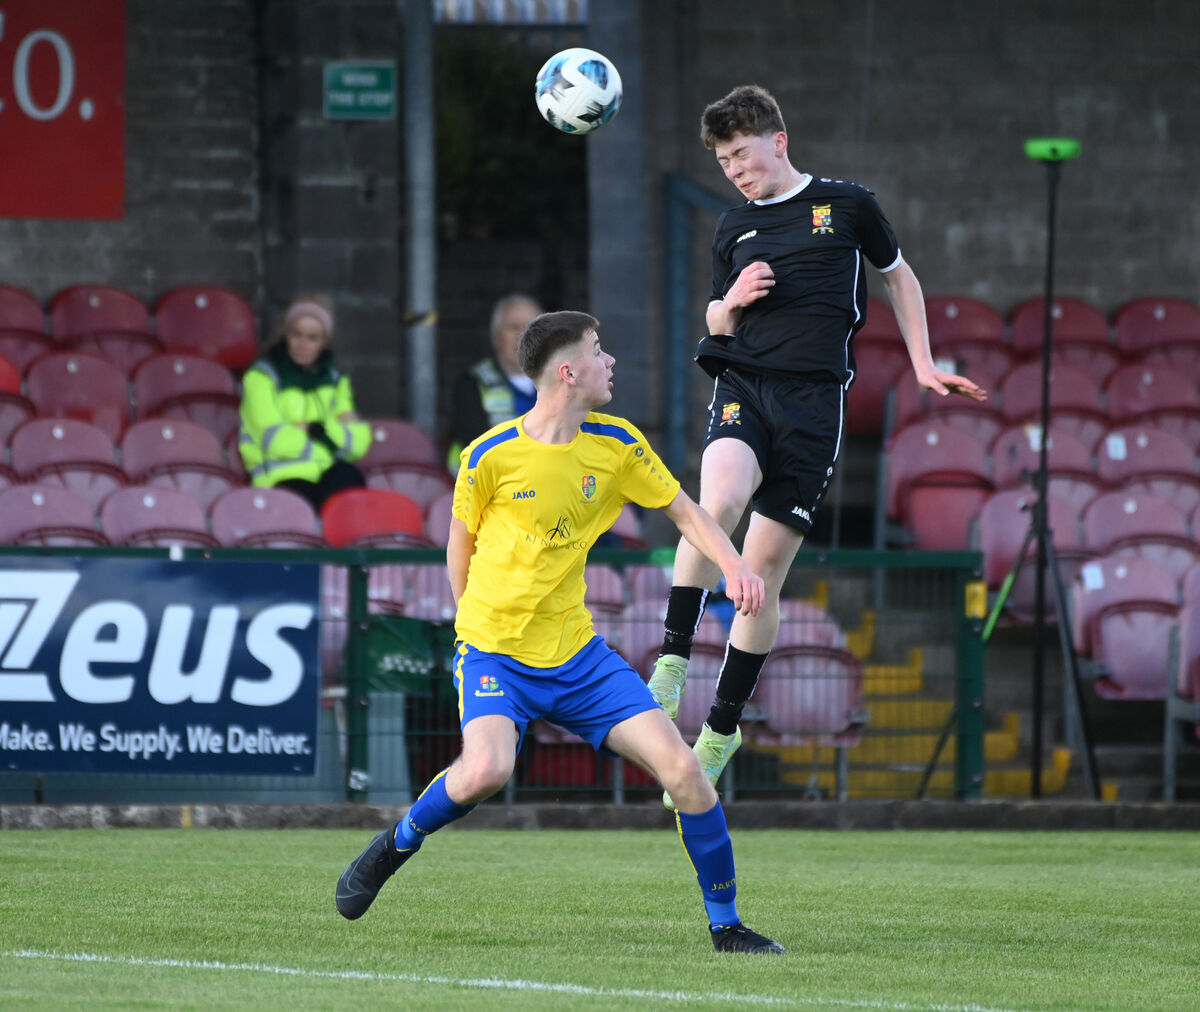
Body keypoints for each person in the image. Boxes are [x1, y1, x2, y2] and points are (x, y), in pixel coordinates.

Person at [336, 310, 784, 955]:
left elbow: (689, 515)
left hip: (578, 657)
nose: (611, 364)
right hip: (495, 653)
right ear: (568, 371)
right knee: (486, 771)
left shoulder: (617, 445)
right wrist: (474, 631)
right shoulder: (488, 455)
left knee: (686, 773)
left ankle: (728, 926)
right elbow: (457, 549)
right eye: (599, 352)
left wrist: (737, 566)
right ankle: (397, 841)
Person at [647, 84, 987, 807]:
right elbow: (716, 315)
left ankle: (721, 730)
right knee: (718, 502)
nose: (734, 171)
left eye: (741, 154)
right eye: (723, 161)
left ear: (779, 140)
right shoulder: (733, 225)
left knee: (760, 580)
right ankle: (673, 657)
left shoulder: (847, 205)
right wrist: (730, 301)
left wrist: (923, 365)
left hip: (813, 405)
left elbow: (900, 278)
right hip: (744, 386)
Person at [238, 295, 372, 511]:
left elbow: (359, 444)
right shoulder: (261, 377)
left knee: (350, 478)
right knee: (308, 501)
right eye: (296, 335)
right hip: (279, 476)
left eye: (313, 338)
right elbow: (275, 442)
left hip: (326, 473)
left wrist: (310, 429)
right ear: (286, 335)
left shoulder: (336, 378)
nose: (303, 344)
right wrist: (330, 435)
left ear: (324, 342)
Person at [445, 293, 544, 472]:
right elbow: (476, 443)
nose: (523, 335)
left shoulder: (564, 382)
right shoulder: (471, 383)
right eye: (513, 327)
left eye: (532, 327)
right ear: (495, 337)